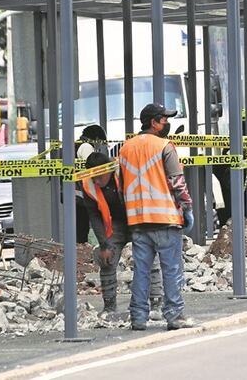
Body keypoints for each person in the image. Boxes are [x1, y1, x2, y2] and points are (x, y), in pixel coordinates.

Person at [119, 103, 196, 331]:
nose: (167, 124)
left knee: (141, 270)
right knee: (171, 269)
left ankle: (138, 317)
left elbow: (121, 184)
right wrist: (187, 207)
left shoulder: (125, 148)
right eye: (164, 120)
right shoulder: (165, 146)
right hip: (165, 219)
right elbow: (177, 182)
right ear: (153, 122)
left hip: (138, 220)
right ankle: (174, 316)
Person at [80, 151, 162, 317]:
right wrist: (104, 244)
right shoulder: (88, 185)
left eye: (99, 177)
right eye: (93, 177)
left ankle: (156, 304)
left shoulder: (125, 172)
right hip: (116, 224)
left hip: (137, 218)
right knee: (107, 261)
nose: (96, 181)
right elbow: (94, 217)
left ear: (108, 170)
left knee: (150, 260)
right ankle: (109, 307)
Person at [75, 124, 107, 245]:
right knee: (82, 224)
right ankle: (82, 250)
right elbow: (92, 168)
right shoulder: (86, 147)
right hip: (81, 193)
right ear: (97, 138)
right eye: (100, 142)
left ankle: (80, 248)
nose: (100, 145)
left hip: (74, 192)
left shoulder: (77, 144)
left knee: (79, 224)